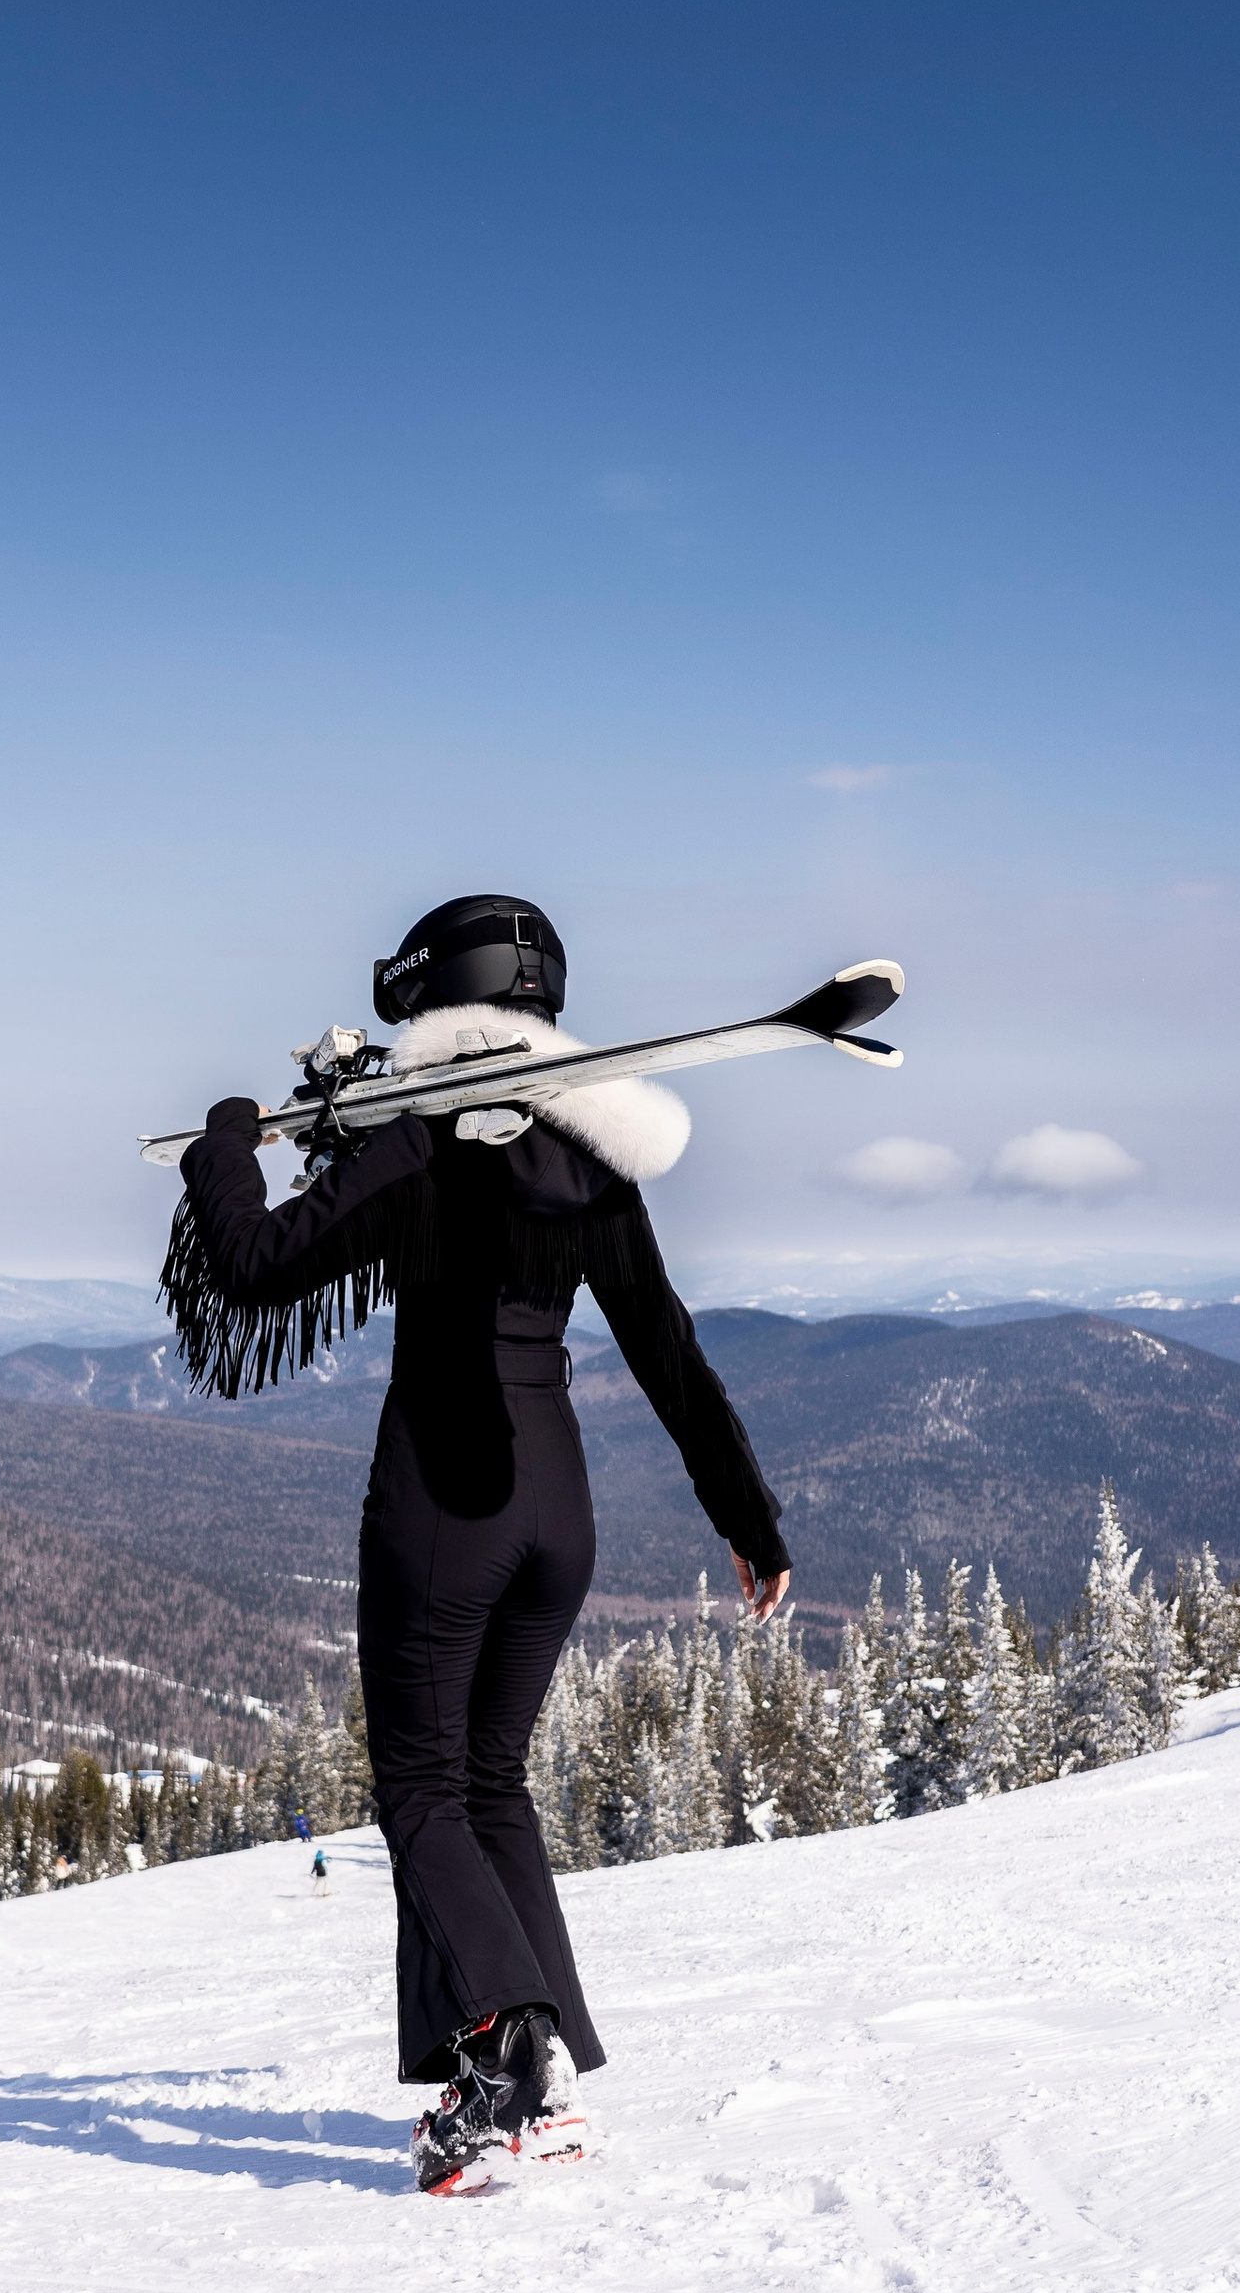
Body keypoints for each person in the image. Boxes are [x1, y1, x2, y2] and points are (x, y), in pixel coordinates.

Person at [164, 893, 791, 2195]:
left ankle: (503, 2048)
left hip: (442, 1505)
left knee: (421, 1793)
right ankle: (538, 2074)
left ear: (436, 1004)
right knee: (488, 1784)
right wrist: (749, 1519)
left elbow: (257, 1264)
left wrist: (227, 1138)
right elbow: (669, 1349)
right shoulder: (590, 1161)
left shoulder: (421, 1151)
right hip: (556, 1510)